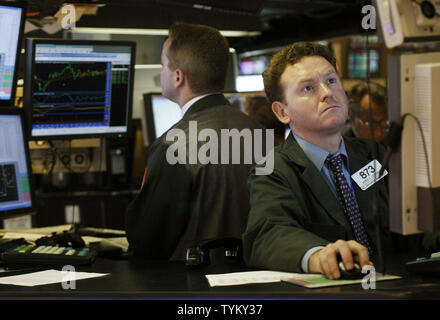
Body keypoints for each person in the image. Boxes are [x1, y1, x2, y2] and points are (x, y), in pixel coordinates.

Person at [242, 42, 395, 279]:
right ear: (282, 112)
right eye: (308, 88)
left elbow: (410, 221)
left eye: (331, 81)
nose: (327, 92)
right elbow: (269, 234)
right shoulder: (273, 172)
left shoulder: (374, 154)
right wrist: (318, 255)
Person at [125, 23, 264, 261]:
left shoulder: (173, 145)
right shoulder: (263, 135)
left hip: (193, 285)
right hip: (259, 283)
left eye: (162, 66)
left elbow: (147, 240)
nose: (161, 73)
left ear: (178, 76)